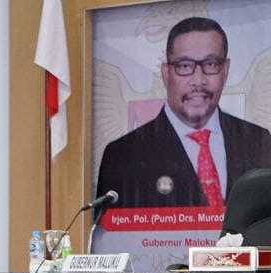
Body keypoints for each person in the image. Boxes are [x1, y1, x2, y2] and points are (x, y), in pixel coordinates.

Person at [96, 16, 271, 209]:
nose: (198, 80)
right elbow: (112, 235)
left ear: (225, 70)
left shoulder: (259, 141)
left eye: (211, 64)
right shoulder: (123, 155)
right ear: (165, 73)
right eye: (185, 66)